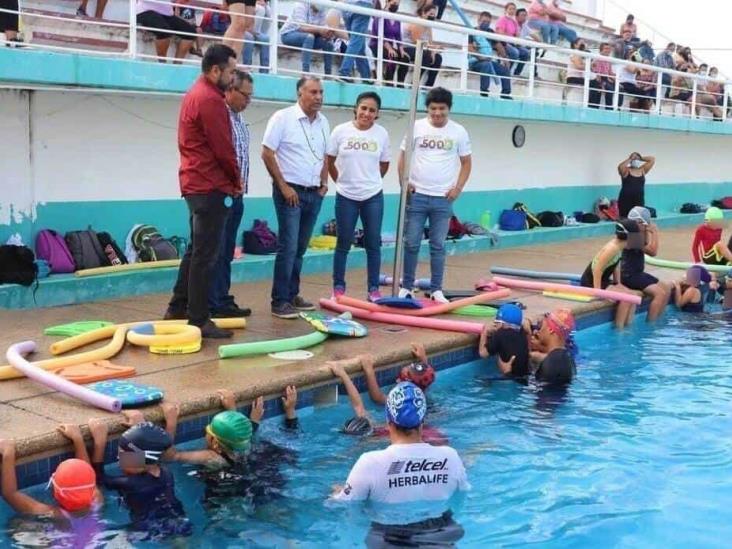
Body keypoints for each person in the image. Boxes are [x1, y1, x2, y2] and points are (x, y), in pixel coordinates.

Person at [332, 381, 468, 546]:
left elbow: (345, 507)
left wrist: (338, 492)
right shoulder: (450, 457)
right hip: (440, 534)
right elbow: (461, 498)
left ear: (389, 421)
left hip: (390, 538)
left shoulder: (369, 462)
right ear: (422, 420)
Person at [165, 45, 240, 339]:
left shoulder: (197, 92)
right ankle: (198, 319)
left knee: (197, 251)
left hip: (196, 184)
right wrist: (235, 182)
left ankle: (178, 305)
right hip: (210, 184)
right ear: (215, 71)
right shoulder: (210, 99)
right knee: (205, 256)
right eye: (231, 71)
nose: (233, 78)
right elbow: (223, 149)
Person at [160, 388, 299, 507]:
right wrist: (290, 410)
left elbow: (170, 456)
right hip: (256, 487)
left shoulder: (211, 457)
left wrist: (171, 422)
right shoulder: (246, 446)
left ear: (214, 442)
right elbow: (240, 435)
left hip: (222, 500)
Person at [262, 76, 330, 319]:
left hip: (314, 193)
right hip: (290, 192)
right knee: (288, 247)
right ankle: (279, 301)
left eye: (321, 92)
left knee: (300, 248)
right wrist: (283, 186)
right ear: (300, 93)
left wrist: (324, 183)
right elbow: (267, 153)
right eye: (313, 92)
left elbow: (325, 155)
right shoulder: (283, 118)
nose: (318, 97)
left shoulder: (324, 122)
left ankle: (292, 294)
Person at [398, 87, 472, 303]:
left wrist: (457, 188)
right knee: (411, 242)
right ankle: (407, 286)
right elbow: (402, 156)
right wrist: (405, 183)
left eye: (442, 109)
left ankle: (436, 288)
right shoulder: (417, 126)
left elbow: (466, 163)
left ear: (449, 109)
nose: (437, 113)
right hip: (418, 195)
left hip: (443, 198)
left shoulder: (459, 131)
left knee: (438, 244)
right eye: (433, 109)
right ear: (427, 109)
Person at [327, 91, 390, 301]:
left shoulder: (381, 134)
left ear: (377, 114)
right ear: (356, 108)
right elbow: (330, 161)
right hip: (346, 196)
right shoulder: (340, 131)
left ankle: (373, 289)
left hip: (373, 196)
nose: (367, 113)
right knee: (343, 242)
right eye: (363, 108)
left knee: (373, 243)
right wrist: (342, 181)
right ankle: (338, 287)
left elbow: (384, 164)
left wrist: (370, 180)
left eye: (372, 110)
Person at [89, 418, 192, 539]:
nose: (119, 460)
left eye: (122, 457)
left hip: (149, 528)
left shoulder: (131, 483)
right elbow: (157, 451)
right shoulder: (165, 472)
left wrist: (99, 442)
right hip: (179, 521)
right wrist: (140, 432)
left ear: (139, 461)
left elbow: (98, 478)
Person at [208, 70, 253, 320]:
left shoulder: (240, 121)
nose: (249, 101)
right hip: (221, 194)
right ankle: (212, 302)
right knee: (215, 251)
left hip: (238, 196)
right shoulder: (220, 117)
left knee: (227, 251)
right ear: (231, 90)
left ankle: (222, 298)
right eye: (245, 95)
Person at [0, 426, 100, 518]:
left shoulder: (54, 514)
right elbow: (86, 475)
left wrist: (8, 453)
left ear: (56, 492)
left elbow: (10, 494)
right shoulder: (97, 501)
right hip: (94, 537)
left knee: (17, 523)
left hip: (57, 535)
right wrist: (78, 439)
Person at [580, 219, 639, 328]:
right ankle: (619, 330)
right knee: (626, 299)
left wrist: (617, 283)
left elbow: (615, 264)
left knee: (633, 296)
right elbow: (597, 269)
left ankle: (629, 327)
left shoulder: (619, 246)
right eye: (635, 237)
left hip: (603, 280)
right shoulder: (612, 248)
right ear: (629, 237)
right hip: (591, 282)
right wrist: (598, 292)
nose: (637, 241)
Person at [621, 206, 670, 322]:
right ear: (638, 223)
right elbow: (653, 252)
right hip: (629, 276)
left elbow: (647, 244)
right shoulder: (632, 237)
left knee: (666, 288)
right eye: (645, 224)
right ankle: (651, 324)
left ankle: (659, 318)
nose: (647, 226)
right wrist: (655, 232)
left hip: (638, 274)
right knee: (660, 294)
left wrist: (646, 231)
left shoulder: (638, 234)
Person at [280, 1, 335, 76]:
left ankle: (328, 75)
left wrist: (327, 33)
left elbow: (322, 27)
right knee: (309, 37)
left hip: (309, 37)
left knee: (328, 42)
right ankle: (305, 73)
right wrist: (319, 29)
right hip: (289, 34)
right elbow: (302, 28)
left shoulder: (322, 10)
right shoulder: (301, 5)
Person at [478, 303, 531, 379]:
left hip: (509, 377)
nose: (495, 325)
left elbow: (483, 354)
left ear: (502, 324)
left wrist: (484, 332)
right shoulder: (522, 332)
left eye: (497, 323)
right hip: (525, 375)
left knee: (482, 379)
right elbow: (528, 335)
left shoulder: (499, 334)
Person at [469, 11, 512, 99]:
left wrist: (505, 57)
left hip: (488, 61)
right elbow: (470, 48)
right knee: (486, 65)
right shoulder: (472, 31)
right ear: (478, 20)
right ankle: (484, 92)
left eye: (488, 22)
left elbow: (498, 45)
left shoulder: (490, 32)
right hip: (476, 62)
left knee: (505, 70)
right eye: (484, 21)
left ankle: (506, 94)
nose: (486, 24)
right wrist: (480, 57)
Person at [529, 308, 576, 385]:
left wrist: (508, 372)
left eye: (541, 326)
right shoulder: (567, 357)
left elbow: (547, 394)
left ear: (551, 330)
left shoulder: (555, 363)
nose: (537, 331)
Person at [401, 3, 443, 88]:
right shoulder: (417, 23)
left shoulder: (428, 26)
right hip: (408, 47)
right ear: (424, 13)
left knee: (438, 58)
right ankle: (414, 83)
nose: (433, 16)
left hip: (422, 48)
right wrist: (430, 49)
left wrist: (434, 50)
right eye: (431, 14)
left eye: (434, 15)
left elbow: (430, 42)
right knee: (426, 56)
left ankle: (428, 86)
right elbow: (416, 41)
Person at [370, 0, 410, 86]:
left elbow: (398, 36)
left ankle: (400, 83)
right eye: (394, 3)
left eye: (397, 4)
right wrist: (390, 49)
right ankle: (389, 81)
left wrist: (401, 50)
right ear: (387, 2)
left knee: (405, 58)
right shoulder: (380, 16)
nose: (396, 5)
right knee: (392, 55)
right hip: (377, 44)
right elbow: (380, 35)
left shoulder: (397, 19)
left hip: (389, 46)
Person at [337, 0, 375, 83]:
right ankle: (344, 72)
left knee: (358, 44)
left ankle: (366, 77)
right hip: (362, 4)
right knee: (356, 42)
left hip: (347, 5)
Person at [495, 2, 530, 76]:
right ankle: (506, 71)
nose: (512, 11)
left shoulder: (514, 22)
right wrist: (511, 39)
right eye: (510, 9)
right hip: (503, 43)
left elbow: (517, 34)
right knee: (515, 52)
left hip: (512, 43)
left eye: (514, 9)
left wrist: (516, 41)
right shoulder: (502, 19)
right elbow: (500, 33)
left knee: (526, 53)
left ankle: (517, 73)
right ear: (506, 10)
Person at [617, 152, 655, 218]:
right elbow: (620, 166)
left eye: (637, 159)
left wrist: (639, 158)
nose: (635, 160)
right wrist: (631, 159)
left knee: (639, 220)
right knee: (625, 219)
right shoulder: (626, 170)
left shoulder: (642, 170)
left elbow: (652, 159)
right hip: (625, 200)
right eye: (634, 159)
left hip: (639, 200)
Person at [242, 0, 272, 73]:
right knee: (249, 37)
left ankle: (264, 72)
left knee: (265, 39)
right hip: (241, 27)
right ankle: (247, 69)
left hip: (254, 29)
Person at [590, 42, 616, 109]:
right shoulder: (597, 58)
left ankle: (616, 107)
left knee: (620, 88)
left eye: (609, 49)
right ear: (601, 50)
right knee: (610, 88)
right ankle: (609, 109)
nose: (608, 50)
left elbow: (610, 73)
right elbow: (597, 73)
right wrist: (602, 84)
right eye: (606, 48)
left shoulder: (608, 60)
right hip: (600, 78)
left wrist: (617, 79)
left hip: (606, 78)